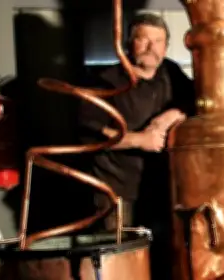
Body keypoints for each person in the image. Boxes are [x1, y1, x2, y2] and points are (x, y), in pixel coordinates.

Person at [78, 12, 195, 231]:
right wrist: (139, 140)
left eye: (158, 41)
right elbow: (91, 133)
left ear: (166, 48)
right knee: (121, 257)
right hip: (118, 191)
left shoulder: (171, 72)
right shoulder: (105, 80)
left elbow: (198, 102)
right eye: (144, 40)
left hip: (161, 187)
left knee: (162, 255)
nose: (152, 47)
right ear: (128, 44)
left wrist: (173, 114)